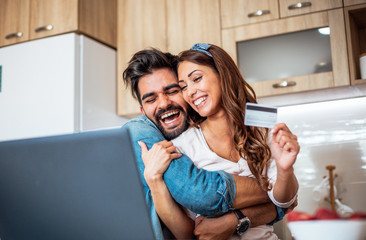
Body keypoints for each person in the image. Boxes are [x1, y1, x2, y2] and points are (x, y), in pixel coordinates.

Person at [122, 48, 288, 240]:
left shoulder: (254, 125)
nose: (164, 103)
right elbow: (191, 227)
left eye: (173, 91)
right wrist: (154, 180)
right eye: (151, 99)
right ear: (143, 111)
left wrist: (236, 219)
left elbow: (288, 198)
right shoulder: (156, 144)